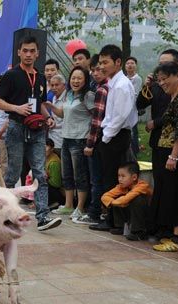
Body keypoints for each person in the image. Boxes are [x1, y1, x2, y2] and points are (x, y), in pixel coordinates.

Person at [0, 35, 62, 231]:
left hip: (37, 129)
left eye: (33, 51)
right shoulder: (12, 75)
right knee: (13, 172)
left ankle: (43, 216)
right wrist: (16, 108)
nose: (29, 54)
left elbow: (39, 104)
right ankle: (1, 213)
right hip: (16, 127)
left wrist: (48, 116)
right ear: (19, 52)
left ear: (38, 53)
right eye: (25, 51)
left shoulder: (40, 77)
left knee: (39, 171)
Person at [146, 62, 178, 252]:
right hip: (168, 150)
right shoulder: (175, 97)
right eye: (159, 80)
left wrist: (173, 157)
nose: (162, 83)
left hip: (177, 152)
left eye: (164, 79)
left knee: (177, 193)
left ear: (176, 76)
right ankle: (176, 235)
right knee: (172, 192)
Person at [89, 45, 138, 232]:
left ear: (118, 62)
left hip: (116, 135)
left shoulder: (122, 85)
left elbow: (120, 115)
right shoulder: (112, 83)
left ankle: (114, 221)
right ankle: (109, 218)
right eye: (100, 62)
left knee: (113, 179)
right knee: (108, 177)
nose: (101, 66)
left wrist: (107, 136)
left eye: (105, 62)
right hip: (110, 134)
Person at [45, 66, 94, 220]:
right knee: (67, 174)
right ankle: (68, 205)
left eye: (79, 78)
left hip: (79, 139)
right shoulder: (69, 95)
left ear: (85, 80)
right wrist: (50, 106)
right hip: (66, 138)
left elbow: (96, 117)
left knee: (79, 175)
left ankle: (80, 207)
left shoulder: (88, 96)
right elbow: (63, 114)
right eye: (73, 78)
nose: (76, 81)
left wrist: (90, 138)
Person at [75, 55, 109, 226]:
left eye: (100, 69)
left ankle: (95, 212)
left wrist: (90, 143)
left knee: (96, 179)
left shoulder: (102, 90)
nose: (96, 72)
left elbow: (97, 120)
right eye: (94, 69)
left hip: (99, 139)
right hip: (103, 137)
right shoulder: (96, 87)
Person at [101, 162, 151, 241]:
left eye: (123, 176)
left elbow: (125, 200)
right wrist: (114, 202)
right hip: (132, 214)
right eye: (119, 176)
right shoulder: (122, 186)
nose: (120, 179)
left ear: (134, 177)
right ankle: (121, 227)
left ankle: (139, 232)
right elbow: (104, 196)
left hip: (147, 217)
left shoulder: (142, 186)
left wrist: (116, 202)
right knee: (116, 198)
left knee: (137, 199)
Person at [47, 74, 66, 155]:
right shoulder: (54, 97)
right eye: (52, 85)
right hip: (52, 138)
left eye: (57, 85)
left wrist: (50, 105)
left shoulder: (68, 97)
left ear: (64, 85)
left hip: (62, 139)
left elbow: (63, 114)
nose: (54, 87)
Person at [45, 138, 64, 209]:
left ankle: (54, 203)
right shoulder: (44, 158)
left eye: (46, 146)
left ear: (52, 149)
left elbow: (56, 184)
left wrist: (46, 177)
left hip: (57, 192)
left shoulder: (54, 162)